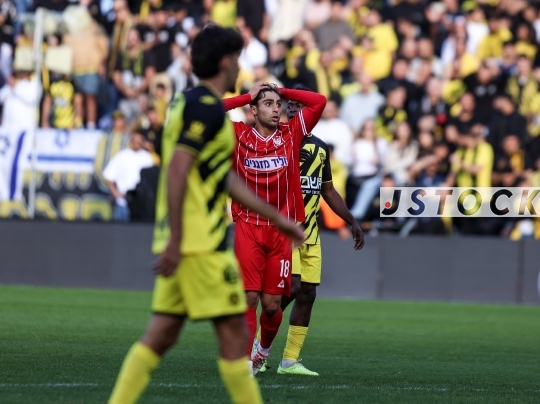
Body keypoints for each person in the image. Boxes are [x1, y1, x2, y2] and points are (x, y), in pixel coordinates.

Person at [108, 25, 305, 404]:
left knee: (160, 336)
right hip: (199, 245)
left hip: (184, 241)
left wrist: (279, 219)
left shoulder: (185, 103)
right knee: (233, 338)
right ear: (226, 62)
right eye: (238, 60)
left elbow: (220, 177)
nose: (241, 70)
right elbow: (178, 169)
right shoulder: (206, 109)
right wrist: (179, 239)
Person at [255, 86, 364, 376]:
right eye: (288, 105)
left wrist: (351, 220)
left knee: (307, 293)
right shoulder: (276, 140)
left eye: (298, 105)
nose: (292, 109)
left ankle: (289, 361)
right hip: (285, 230)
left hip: (311, 233)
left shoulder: (320, 148)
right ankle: (259, 350)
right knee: (289, 289)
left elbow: (327, 190)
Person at [222, 82, 326, 375]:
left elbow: (319, 101)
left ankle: (263, 351)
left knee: (271, 306)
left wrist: (280, 90)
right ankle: (245, 363)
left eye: (277, 104)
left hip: (281, 232)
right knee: (249, 298)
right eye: (267, 103)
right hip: (249, 226)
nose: (276, 108)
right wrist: (247, 96)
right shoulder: (238, 134)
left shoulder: (291, 134)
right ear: (253, 110)